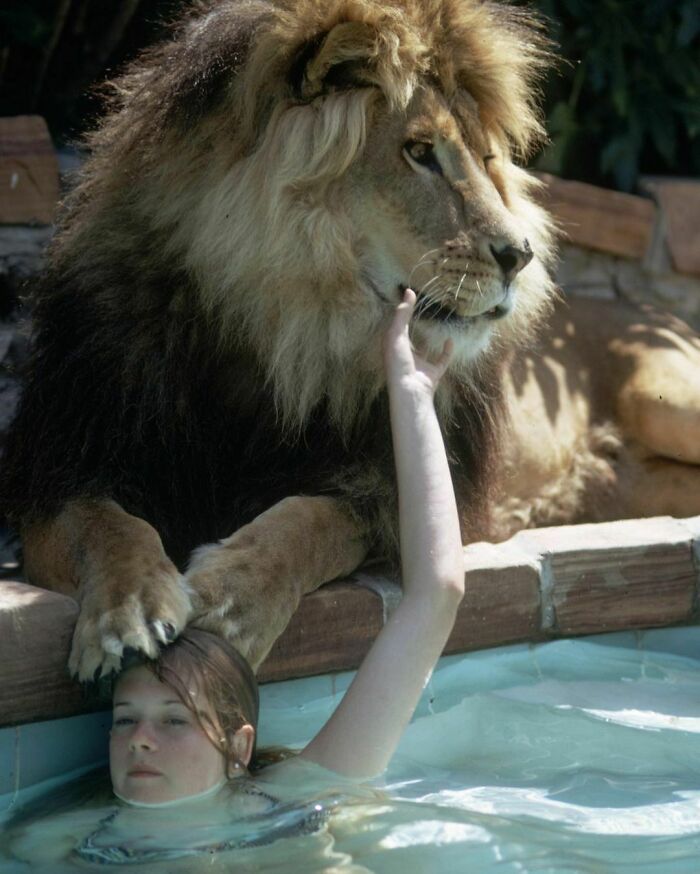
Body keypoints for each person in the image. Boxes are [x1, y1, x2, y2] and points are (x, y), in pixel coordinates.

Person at [5, 289, 465, 866]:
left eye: (174, 719)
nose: (139, 740)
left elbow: (437, 593)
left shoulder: (294, 803)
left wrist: (413, 393)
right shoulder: (55, 841)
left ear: (239, 746)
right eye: (125, 720)